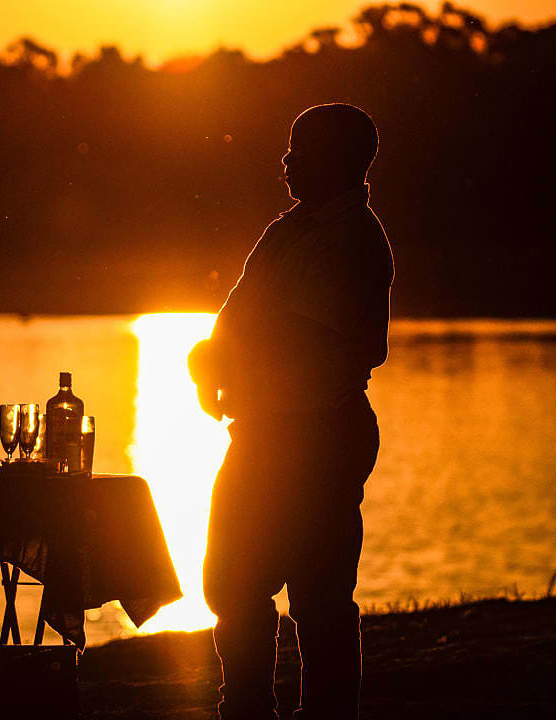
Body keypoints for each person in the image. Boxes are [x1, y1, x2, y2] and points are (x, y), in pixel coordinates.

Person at [189, 103, 393, 720]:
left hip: (317, 434)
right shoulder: (286, 231)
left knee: (318, 596)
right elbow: (236, 318)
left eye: (301, 149)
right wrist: (207, 358)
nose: (286, 160)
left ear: (341, 160)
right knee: (233, 582)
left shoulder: (353, 240)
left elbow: (307, 339)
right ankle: (246, 706)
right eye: (289, 147)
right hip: (263, 431)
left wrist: (230, 356)